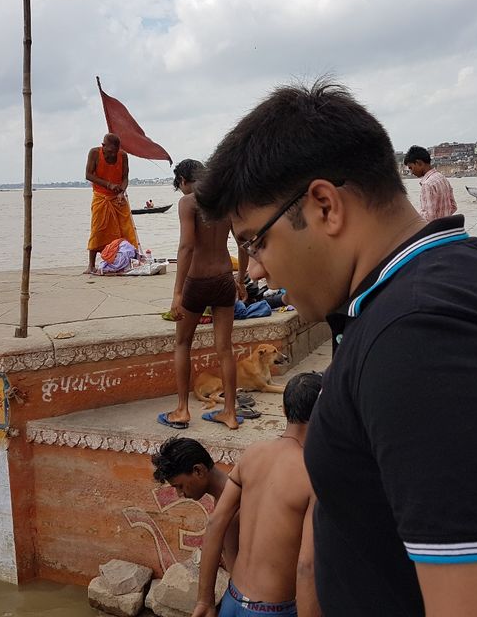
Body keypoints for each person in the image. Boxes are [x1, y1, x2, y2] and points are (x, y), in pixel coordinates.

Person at [194, 80, 477, 617]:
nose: (253, 268)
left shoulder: (425, 337)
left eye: (255, 240)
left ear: (325, 206)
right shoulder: (438, 287)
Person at [191, 372, 322, 617]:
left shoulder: (252, 454)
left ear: (283, 410)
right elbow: (307, 566)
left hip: (232, 601)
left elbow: (215, 522)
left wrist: (205, 600)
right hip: (275, 610)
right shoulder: (313, 476)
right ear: (325, 416)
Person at [160, 159, 247, 431]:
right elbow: (243, 241)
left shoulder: (188, 202)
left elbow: (186, 247)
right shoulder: (225, 201)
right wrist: (240, 278)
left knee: (183, 343)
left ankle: (182, 410)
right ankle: (230, 413)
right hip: (223, 279)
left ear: (185, 180)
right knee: (225, 348)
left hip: (196, 281)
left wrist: (176, 293)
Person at [152, 437, 240, 570]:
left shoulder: (231, 509)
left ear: (198, 471)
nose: (179, 494)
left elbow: (236, 570)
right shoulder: (226, 495)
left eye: (180, 486)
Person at [85, 133, 139, 273]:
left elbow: (125, 177)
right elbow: (88, 175)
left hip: (118, 198)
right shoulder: (94, 153)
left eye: (115, 152)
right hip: (101, 197)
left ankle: (130, 260)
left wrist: (121, 192)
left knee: (126, 229)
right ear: (103, 146)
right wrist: (108, 185)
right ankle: (91, 265)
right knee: (98, 229)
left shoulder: (123, 156)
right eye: (109, 152)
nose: (112, 155)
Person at [403, 146, 457, 223]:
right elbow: (453, 206)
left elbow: (428, 217)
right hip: (446, 228)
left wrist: (413, 217)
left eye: (411, 167)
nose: (411, 172)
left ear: (419, 163)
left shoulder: (427, 185)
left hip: (435, 232)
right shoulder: (442, 178)